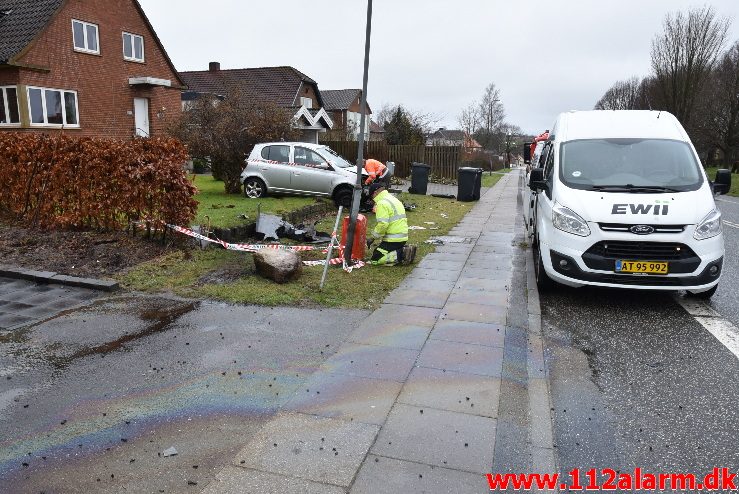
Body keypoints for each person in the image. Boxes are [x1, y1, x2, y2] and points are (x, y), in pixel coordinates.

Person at [365, 182, 416, 265]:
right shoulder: (393, 198)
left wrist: (373, 237)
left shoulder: (382, 203)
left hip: (393, 239)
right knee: (378, 251)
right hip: (402, 237)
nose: (372, 200)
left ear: (375, 193)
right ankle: (402, 249)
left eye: (372, 197)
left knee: (375, 259)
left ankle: (402, 254)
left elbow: (383, 224)